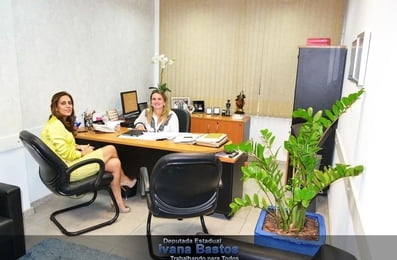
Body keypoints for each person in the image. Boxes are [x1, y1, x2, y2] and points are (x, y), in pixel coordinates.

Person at [41, 91, 135, 213]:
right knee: (111, 148)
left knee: (115, 164)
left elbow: (62, 147)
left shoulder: (55, 123)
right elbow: (65, 154)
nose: (68, 106)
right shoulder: (55, 126)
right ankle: (124, 180)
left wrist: (79, 146)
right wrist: (83, 153)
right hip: (69, 171)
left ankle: (118, 202)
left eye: (70, 103)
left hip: (67, 165)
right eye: (63, 103)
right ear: (56, 107)